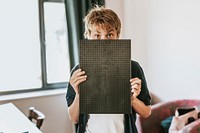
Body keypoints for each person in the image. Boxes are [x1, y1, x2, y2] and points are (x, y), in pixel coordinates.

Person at [66, 6, 151, 133]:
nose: (104, 41)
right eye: (97, 35)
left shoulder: (133, 68)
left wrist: (132, 99)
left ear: (117, 36)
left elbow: (146, 112)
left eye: (109, 34)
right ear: (89, 36)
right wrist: (79, 95)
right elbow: (74, 119)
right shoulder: (79, 71)